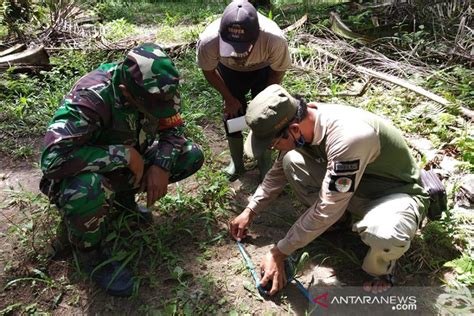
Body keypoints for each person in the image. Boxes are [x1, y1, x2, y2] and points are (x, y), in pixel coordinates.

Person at [230, 84, 429, 295]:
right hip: (353, 189)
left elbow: (327, 207)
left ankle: (382, 268)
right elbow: (278, 172)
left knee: (385, 235)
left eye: (273, 144)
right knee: (291, 160)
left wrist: (279, 252)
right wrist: (250, 210)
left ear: (294, 130)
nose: (273, 149)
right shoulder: (304, 122)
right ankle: (341, 223)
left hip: (391, 195)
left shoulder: (349, 137)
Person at [39, 43, 204, 297]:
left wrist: (161, 165)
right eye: (152, 107)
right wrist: (123, 155)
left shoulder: (158, 88)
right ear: (127, 92)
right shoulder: (91, 97)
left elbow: (173, 127)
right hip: (93, 173)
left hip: (127, 165)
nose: (160, 110)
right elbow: (53, 160)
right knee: (84, 189)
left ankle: (124, 203)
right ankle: (91, 254)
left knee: (189, 155)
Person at [196, 0, 291, 181]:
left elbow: (278, 71)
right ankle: (237, 163)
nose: (238, 52)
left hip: (263, 70)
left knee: (266, 115)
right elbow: (208, 70)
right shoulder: (209, 40)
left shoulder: (274, 38)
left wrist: (266, 99)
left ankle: (264, 164)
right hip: (229, 71)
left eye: (243, 46)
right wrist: (229, 98)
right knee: (233, 116)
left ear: (257, 35)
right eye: (230, 45)